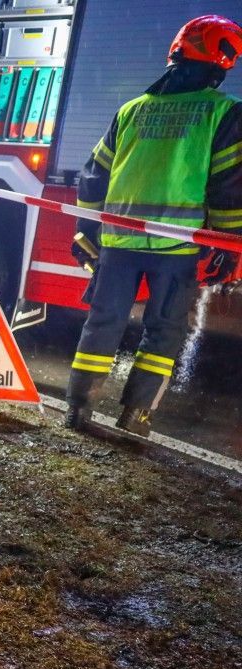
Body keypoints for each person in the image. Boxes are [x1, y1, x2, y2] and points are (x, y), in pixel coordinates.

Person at [66, 15, 242, 437]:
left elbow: (94, 175)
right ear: (221, 61)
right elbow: (228, 186)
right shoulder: (224, 113)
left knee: (102, 323)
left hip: (118, 242)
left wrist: (85, 228)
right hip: (176, 249)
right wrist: (229, 245)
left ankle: (77, 412)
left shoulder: (131, 110)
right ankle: (135, 416)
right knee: (162, 331)